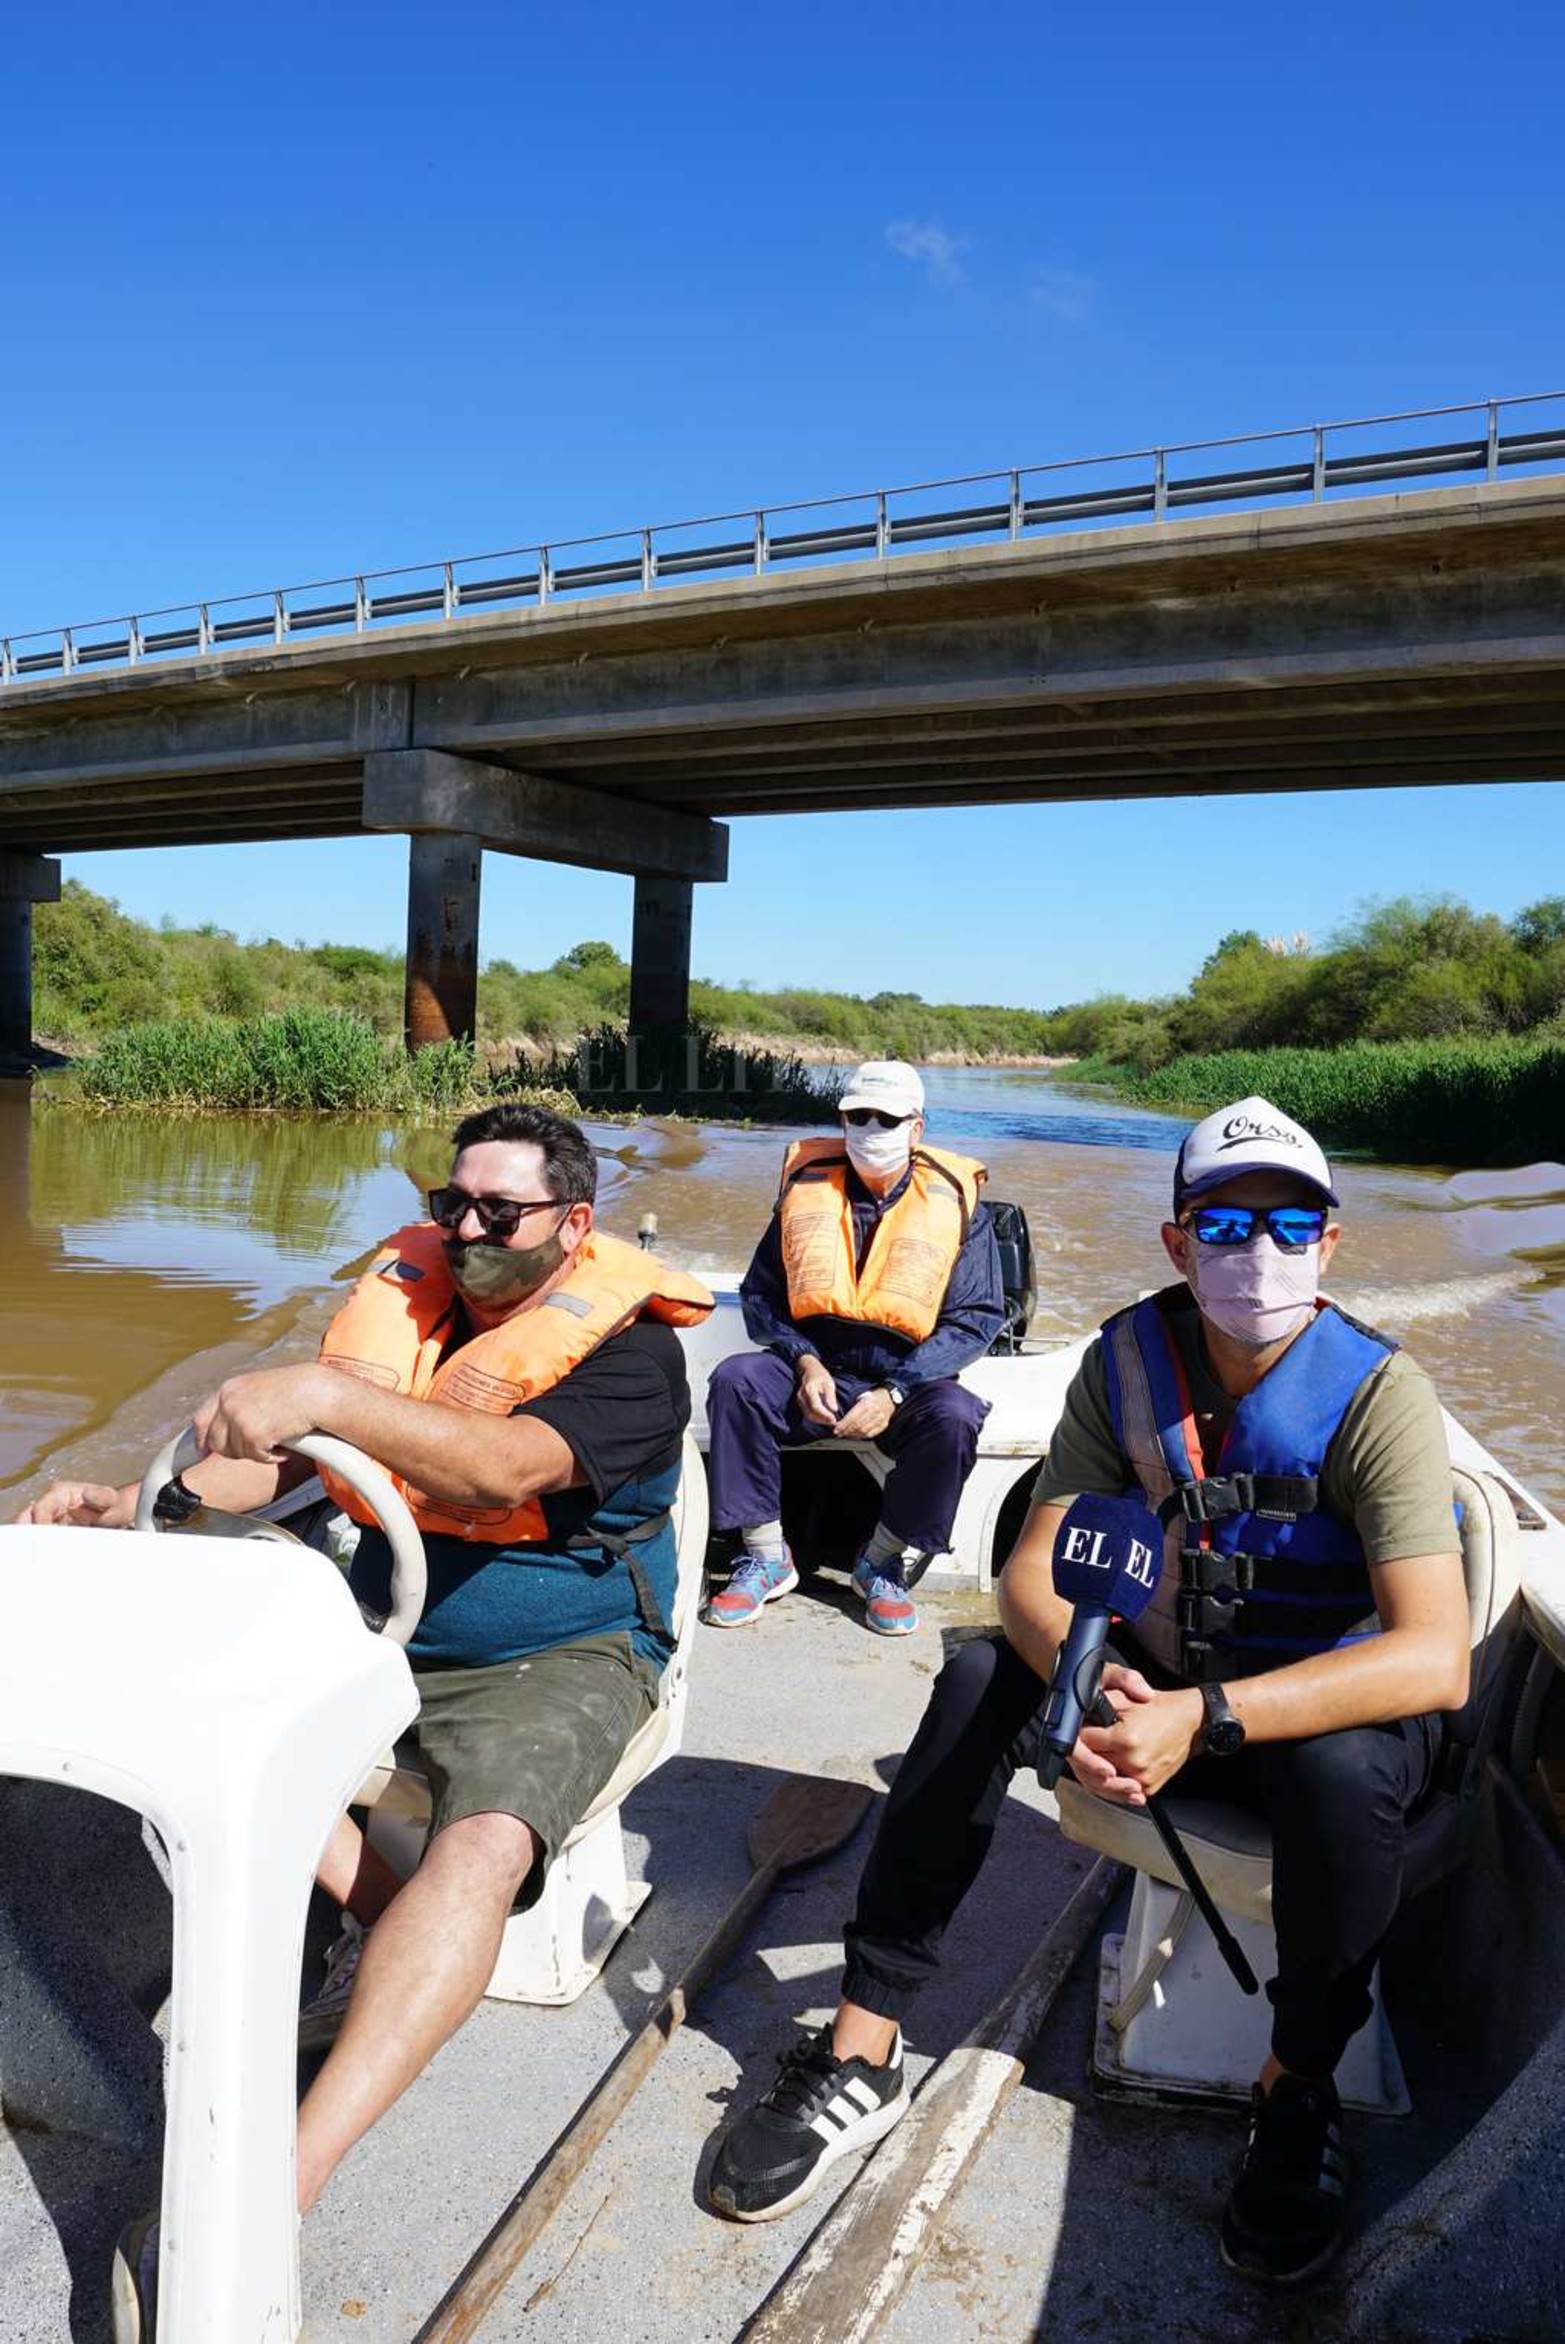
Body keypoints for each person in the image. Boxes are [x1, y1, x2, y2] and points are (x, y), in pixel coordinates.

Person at [707, 1096, 1470, 2286]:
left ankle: (1296, 2085)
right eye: (1222, 1222)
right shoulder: (1125, 1366)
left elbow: (1434, 1655)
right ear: (1175, 1242)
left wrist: (1203, 1719)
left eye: (1288, 1223)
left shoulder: (1380, 1397)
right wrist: (1094, 1683)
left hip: (1308, 1716)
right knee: (972, 1675)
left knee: (1341, 1762)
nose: (1253, 1252)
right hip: (1155, 1685)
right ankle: (864, 2037)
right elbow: (1029, 1575)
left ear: (1328, 1242)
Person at [18, 1101, 713, 2341]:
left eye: (501, 1211)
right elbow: (281, 1466)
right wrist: (138, 1498)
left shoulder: (630, 1355)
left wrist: (305, 1392)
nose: (469, 1229)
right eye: (454, 1204)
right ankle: (375, 1921)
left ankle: (288, 2171)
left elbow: (498, 1470)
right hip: (381, 1607)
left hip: (560, 1647)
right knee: (184, 1726)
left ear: (574, 1223)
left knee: (486, 1847)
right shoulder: (414, 1303)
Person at [703, 1059, 1004, 1637]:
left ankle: (882, 1561)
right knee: (736, 1380)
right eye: (856, 1115)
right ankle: (766, 1556)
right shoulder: (804, 1187)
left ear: (916, 1128)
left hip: (907, 1377)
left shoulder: (963, 1209)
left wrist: (896, 1391)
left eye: (885, 1118)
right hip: (814, 1369)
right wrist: (802, 1358)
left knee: (956, 1417)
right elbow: (760, 1296)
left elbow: (976, 1319)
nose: (869, 1129)